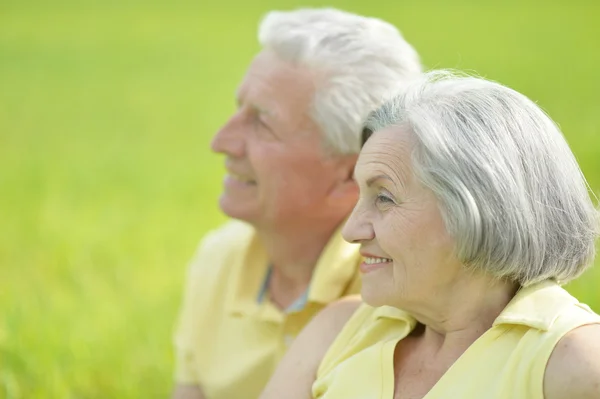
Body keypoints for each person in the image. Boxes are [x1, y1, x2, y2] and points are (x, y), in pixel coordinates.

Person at [259, 70, 600, 399]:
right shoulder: (339, 331)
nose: (352, 231)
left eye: (384, 198)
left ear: (477, 208)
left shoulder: (573, 361)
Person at [171, 8, 422, 399]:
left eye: (262, 123)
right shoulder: (218, 260)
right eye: (239, 109)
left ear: (351, 175)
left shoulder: (410, 295)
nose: (222, 141)